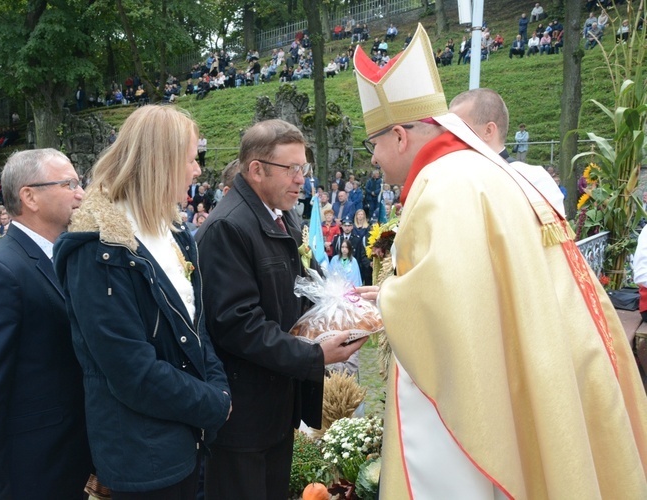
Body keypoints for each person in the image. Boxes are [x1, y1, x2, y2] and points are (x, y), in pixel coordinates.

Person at [353, 23, 647, 498]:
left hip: (482, 401)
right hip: (543, 360)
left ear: (402, 136)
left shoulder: (442, 187)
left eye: (374, 145)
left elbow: (450, 308)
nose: (375, 160)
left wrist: (384, 301)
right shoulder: (486, 170)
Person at [54, 106, 230, 498]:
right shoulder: (97, 250)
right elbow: (131, 371)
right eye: (190, 160)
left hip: (187, 436)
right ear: (161, 163)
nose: (197, 170)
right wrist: (213, 404)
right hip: (143, 454)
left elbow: (196, 327)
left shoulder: (174, 232)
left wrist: (218, 389)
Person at [195, 119, 367, 500]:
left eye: (303, 169)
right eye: (291, 169)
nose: (301, 180)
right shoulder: (229, 226)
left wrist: (351, 302)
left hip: (274, 403)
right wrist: (312, 355)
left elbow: (301, 287)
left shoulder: (280, 215)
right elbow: (237, 325)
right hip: (243, 414)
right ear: (256, 170)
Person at [0, 149, 92, 497]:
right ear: (30, 196)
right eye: (69, 183)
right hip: (24, 474)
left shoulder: (67, 258)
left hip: (64, 466)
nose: (81, 193)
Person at [449, 88, 565, 216]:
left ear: (488, 131)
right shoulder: (450, 179)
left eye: (458, 130)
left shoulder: (532, 180)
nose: (448, 138)